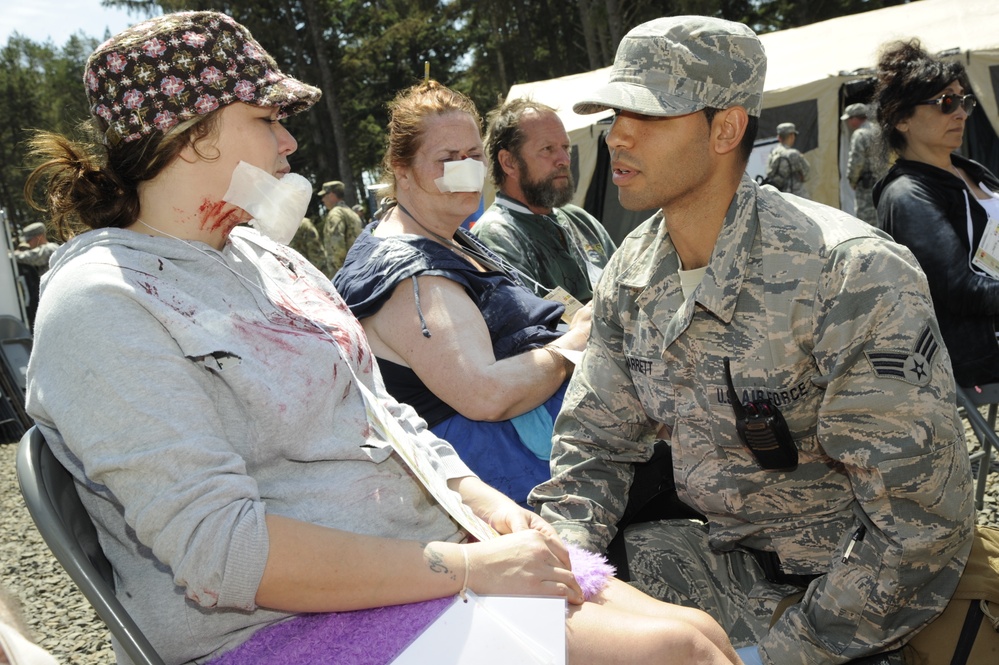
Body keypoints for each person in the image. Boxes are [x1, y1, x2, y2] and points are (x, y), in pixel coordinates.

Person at [22, 11, 740, 665]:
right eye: (267, 117)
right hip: (268, 631)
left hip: (412, 564)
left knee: (697, 633)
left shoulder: (263, 257)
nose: (289, 141)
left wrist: (481, 501)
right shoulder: (102, 305)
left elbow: (377, 412)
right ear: (191, 132)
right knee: (674, 650)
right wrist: (466, 568)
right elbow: (223, 554)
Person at [530, 15, 975, 665]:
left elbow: (918, 530)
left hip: (845, 604)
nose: (617, 134)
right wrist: (564, 577)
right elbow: (592, 445)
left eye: (649, 115)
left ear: (726, 129)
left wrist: (784, 654)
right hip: (712, 571)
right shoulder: (634, 267)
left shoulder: (847, 273)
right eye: (614, 113)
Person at [334, 81, 591, 507]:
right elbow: (483, 393)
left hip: (541, 456)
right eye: (447, 160)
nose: (467, 171)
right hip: (508, 484)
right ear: (402, 169)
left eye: (473, 156)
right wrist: (574, 345)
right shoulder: (410, 274)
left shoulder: (448, 236)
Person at [872, 39, 999, 389]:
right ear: (901, 118)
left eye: (963, 101)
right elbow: (960, 288)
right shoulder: (907, 194)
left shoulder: (969, 169)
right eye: (945, 102)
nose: (960, 113)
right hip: (978, 350)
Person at [471, 98, 616, 304]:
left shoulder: (579, 219)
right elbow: (534, 324)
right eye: (547, 149)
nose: (564, 160)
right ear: (509, 162)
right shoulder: (496, 234)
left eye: (566, 147)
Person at [842, 103, 887, 225]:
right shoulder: (879, 131)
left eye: (849, 119)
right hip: (883, 184)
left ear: (856, 118)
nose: (848, 123)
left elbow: (856, 162)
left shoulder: (860, 134)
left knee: (867, 224)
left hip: (866, 188)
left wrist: (852, 180)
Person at [12, 222, 58, 328]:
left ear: (39, 237)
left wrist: (9, 256)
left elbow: (31, 257)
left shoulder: (50, 248)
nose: (28, 244)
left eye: (29, 240)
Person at [317, 179, 364, 277]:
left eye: (324, 195)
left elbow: (337, 244)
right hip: (358, 268)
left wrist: (341, 272)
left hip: (343, 273)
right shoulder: (352, 213)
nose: (323, 200)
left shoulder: (335, 214)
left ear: (332, 195)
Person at [764, 122, 810, 197]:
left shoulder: (773, 153)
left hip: (780, 199)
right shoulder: (793, 154)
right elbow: (806, 175)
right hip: (797, 198)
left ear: (779, 137)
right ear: (791, 135)